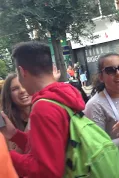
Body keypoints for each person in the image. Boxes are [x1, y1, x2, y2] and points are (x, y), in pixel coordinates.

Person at [0, 41, 85, 177]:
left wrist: (6, 156)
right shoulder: (64, 95)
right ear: (51, 67)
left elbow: (48, 171)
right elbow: (52, 145)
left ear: (22, 71)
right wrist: (15, 134)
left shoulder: (43, 107)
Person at [1, 74, 32, 152]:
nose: (22, 90)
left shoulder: (45, 112)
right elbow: (15, 154)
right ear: (8, 95)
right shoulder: (3, 120)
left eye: (24, 85)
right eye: (15, 89)